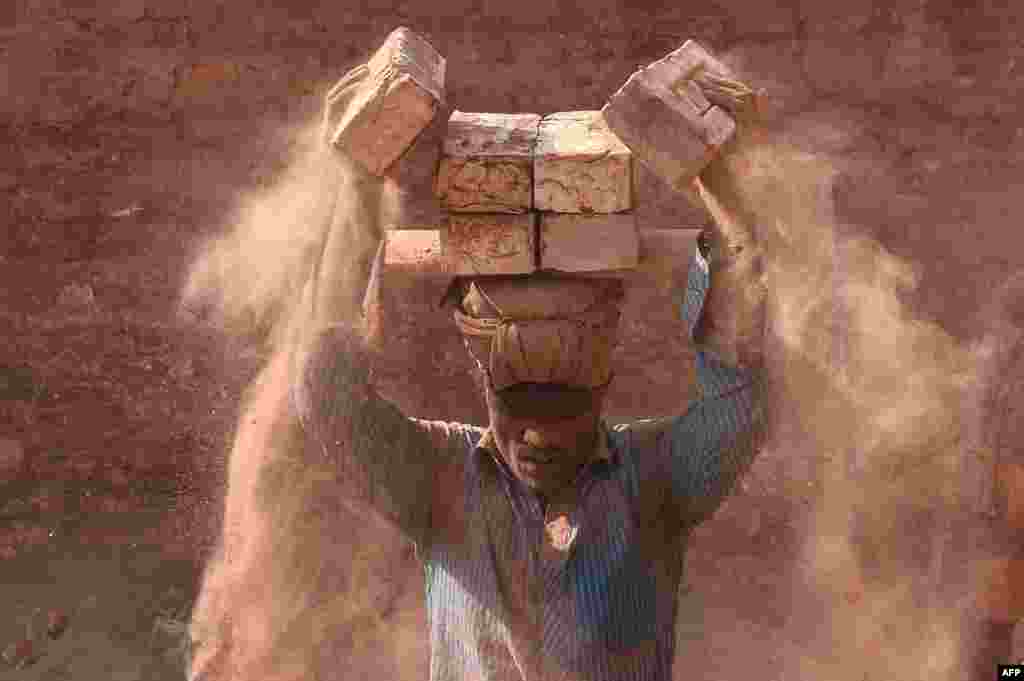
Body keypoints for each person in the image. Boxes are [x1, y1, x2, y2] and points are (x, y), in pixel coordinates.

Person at [188, 78, 769, 681]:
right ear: (484, 387)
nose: (538, 437)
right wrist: (359, 184)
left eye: (560, 406)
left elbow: (741, 393)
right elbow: (326, 391)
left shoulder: (656, 478)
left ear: (602, 389)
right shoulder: (441, 477)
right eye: (518, 405)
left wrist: (716, 179)